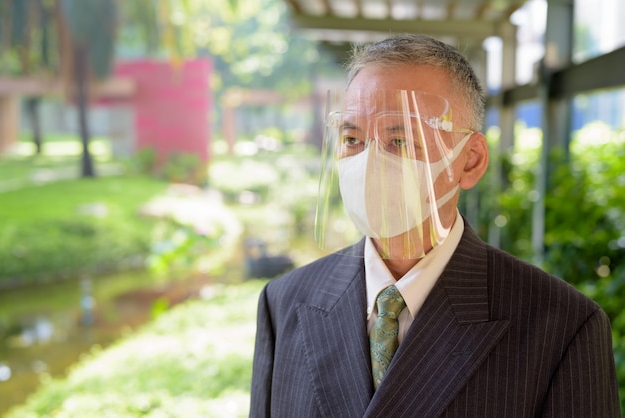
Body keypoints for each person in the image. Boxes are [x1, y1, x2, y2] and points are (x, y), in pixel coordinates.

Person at [250, 33, 620, 417]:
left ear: (471, 161)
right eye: (353, 138)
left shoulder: (562, 327)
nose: (368, 164)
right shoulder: (284, 303)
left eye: (400, 141)